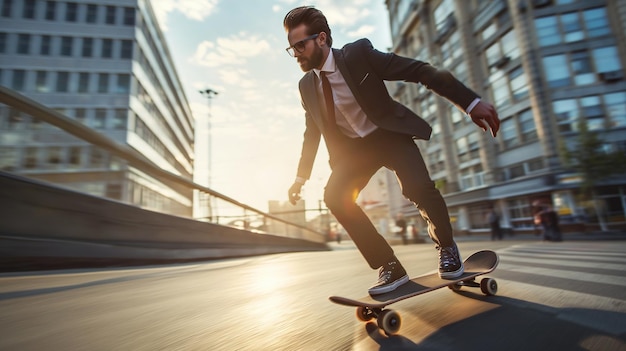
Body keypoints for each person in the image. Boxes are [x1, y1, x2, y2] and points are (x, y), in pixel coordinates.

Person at [283, 6, 500, 295]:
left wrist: (470, 103)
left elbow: (418, 71)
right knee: (335, 197)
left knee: (418, 188)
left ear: (321, 39)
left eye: (300, 45)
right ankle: (389, 266)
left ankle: (447, 248)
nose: (295, 53)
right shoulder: (306, 86)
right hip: (354, 151)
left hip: (388, 136)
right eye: (291, 48)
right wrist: (301, 178)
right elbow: (312, 133)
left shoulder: (358, 55)